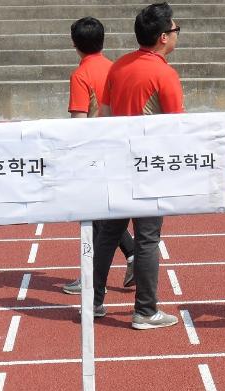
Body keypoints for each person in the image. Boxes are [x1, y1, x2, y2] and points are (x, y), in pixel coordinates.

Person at [91, 2, 183, 329]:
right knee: (147, 238)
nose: (177, 35)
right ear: (163, 37)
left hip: (117, 163)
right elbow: (176, 128)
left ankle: (93, 301)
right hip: (148, 168)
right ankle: (145, 310)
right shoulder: (164, 74)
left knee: (108, 234)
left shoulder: (118, 66)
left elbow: (104, 114)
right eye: (175, 30)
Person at [61, 16, 135, 296]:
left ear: (74, 44)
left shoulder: (81, 75)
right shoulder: (116, 68)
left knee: (93, 216)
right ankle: (131, 255)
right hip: (119, 147)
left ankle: (91, 277)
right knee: (104, 215)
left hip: (93, 153)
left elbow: (79, 122)